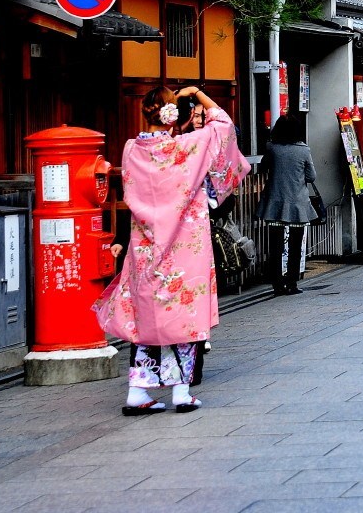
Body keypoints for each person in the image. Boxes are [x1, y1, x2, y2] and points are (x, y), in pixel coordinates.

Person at [94, 85, 250, 415]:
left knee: (146, 321)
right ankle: (181, 392)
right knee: (184, 317)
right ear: (174, 116)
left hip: (146, 248)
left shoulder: (131, 150)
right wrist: (197, 92)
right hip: (183, 247)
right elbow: (223, 125)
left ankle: (138, 391)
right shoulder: (187, 147)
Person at [255, 113, 317, 296]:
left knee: (275, 245)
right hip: (298, 203)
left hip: (274, 202)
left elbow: (263, 167)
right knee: (295, 245)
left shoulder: (272, 148)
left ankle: (277, 283)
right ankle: (292, 282)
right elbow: (311, 176)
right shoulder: (304, 150)